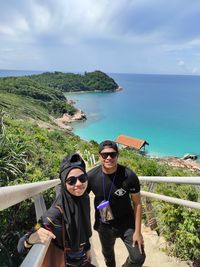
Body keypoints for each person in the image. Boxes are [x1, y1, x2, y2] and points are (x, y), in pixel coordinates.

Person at [18, 152, 96, 267]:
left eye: (82, 178)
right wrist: (31, 238)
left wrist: (88, 248)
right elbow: (21, 246)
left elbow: (85, 226)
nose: (79, 184)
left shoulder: (84, 199)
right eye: (71, 181)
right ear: (64, 182)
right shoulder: (53, 215)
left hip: (82, 258)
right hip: (65, 262)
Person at [87, 140, 146, 267]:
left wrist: (138, 232)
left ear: (117, 155)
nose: (109, 158)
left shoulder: (129, 176)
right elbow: (78, 198)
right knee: (108, 257)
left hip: (127, 223)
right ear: (99, 156)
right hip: (104, 224)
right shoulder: (91, 176)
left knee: (138, 257)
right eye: (104, 155)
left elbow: (137, 204)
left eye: (112, 154)